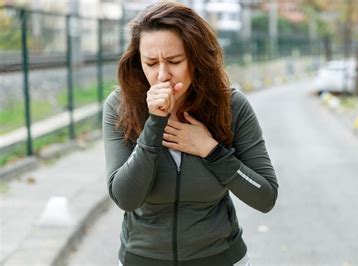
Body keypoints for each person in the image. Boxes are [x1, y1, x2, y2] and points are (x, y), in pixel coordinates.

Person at [103, 2, 278, 265]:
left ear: (196, 60)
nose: (162, 75)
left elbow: (265, 197)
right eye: (150, 63)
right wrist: (155, 123)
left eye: (174, 61)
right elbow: (125, 197)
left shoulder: (231, 106)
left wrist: (211, 150)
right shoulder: (120, 106)